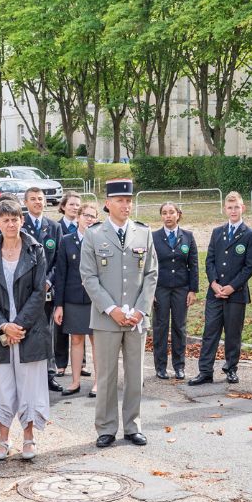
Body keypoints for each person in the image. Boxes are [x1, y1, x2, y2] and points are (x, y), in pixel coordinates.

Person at [80, 179, 158, 448]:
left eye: (129, 200)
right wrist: (111, 309)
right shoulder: (94, 234)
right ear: (108, 203)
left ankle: (133, 425)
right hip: (106, 318)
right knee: (107, 376)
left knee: (135, 375)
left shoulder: (143, 232)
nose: (126, 205)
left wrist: (140, 309)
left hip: (136, 319)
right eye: (120, 201)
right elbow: (88, 277)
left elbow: (151, 274)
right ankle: (106, 427)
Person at [0, 198, 53, 461]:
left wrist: (18, 325)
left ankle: (29, 439)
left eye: (15, 219)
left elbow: (39, 290)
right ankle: (3, 440)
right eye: (6, 220)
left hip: (28, 329)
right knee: (1, 385)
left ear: (22, 220)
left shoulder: (36, 249)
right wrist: (3, 325)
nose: (11, 224)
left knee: (29, 385)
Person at [189, 192, 252, 386]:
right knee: (210, 331)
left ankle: (231, 368)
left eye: (236, 207)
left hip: (236, 294)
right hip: (215, 293)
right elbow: (209, 260)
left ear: (243, 208)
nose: (233, 210)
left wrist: (232, 287)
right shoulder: (217, 232)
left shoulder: (250, 235)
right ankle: (205, 371)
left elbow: (249, 266)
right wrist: (213, 283)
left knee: (233, 333)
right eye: (229, 207)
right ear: (224, 209)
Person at [52, 201, 99, 398]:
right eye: (86, 215)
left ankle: (98, 382)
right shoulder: (66, 240)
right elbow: (61, 274)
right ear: (78, 217)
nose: (89, 219)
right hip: (72, 298)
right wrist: (59, 305)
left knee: (97, 341)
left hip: (95, 299)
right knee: (76, 339)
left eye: (92, 216)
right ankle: (75, 381)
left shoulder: (101, 240)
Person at [20, 187, 64, 393]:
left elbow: (58, 261)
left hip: (47, 289)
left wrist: (48, 281)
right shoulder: (21, 226)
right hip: (26, 291)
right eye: (33, 199)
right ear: (26, 202)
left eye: (40, 199)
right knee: (26, 331)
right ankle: (27, 375)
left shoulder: (54, 227)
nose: (38, 202)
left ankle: (49, 374)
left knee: (47, 333)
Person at [151, 201, 198, 381]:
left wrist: (192, 290)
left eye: (171, 212)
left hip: (181, 288)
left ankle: (179, 366)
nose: (168, 216)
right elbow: (150, 265)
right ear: (161, 216)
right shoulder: (154, 237)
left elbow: (193, 264)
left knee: (179, 327)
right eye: (164, 213)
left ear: (178, 214)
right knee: (160, 327)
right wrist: (150, 290)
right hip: (160, 288)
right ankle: (160, 367)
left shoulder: (188, 236)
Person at [51, 192, 85, 378]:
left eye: (77, 205)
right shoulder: (57, 227)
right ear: (63, 206)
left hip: (83, 286)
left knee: (83, 327)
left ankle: (82, 364)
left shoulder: (87, 227)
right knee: (62, 327)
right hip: (63, 280)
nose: (74, 207)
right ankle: (61, 362)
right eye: (71, 204)